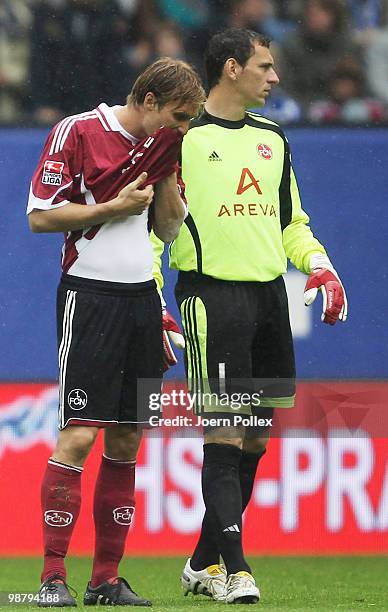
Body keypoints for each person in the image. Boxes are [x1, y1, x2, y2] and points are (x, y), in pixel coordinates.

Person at [152, 28, 347, 604]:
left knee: (257, 441)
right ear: (231, 68)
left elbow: (292, 222)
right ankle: (236, 570)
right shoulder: (181, 140)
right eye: (265, 66)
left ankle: (200, 562)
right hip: (211, 299)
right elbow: (154, 228)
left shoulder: (272, 137)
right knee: (226, 432)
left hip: (269, 301)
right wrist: (157, 298)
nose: (276, 76)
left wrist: (322, 266)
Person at [27, 57, 204, 607]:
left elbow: (169, 229)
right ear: (148, 100)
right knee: (79, 434)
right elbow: (39, 215)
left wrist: (170, 176)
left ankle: (106, 578)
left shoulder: (166, 145)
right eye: (178, 117)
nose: (182, 128)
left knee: (127, 439)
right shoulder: (79, 131)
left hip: (142, 299)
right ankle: (52, 578)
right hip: (91, 295)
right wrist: (114, 204)